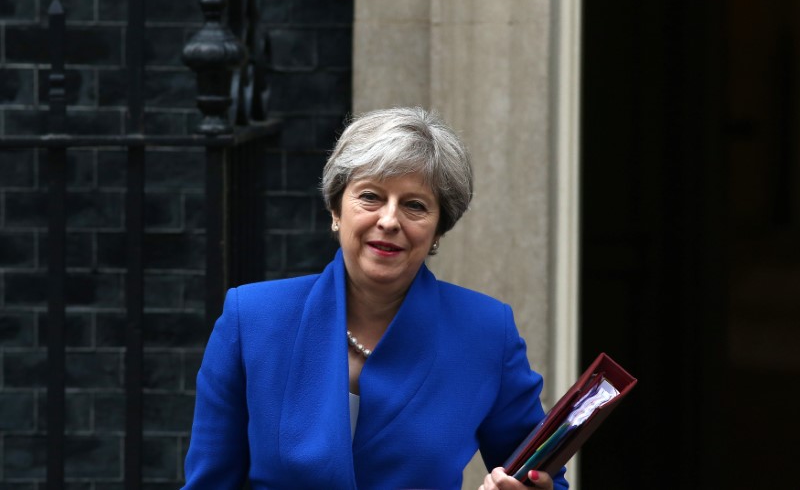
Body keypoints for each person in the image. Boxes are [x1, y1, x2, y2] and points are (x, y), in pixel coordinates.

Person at [182, 107, 569, 490]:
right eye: (370, 197)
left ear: (438, 229)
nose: (389, 220)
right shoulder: (251, 319)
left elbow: (540, 474)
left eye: (415, 205)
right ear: (336, 209)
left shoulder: (486, 333)